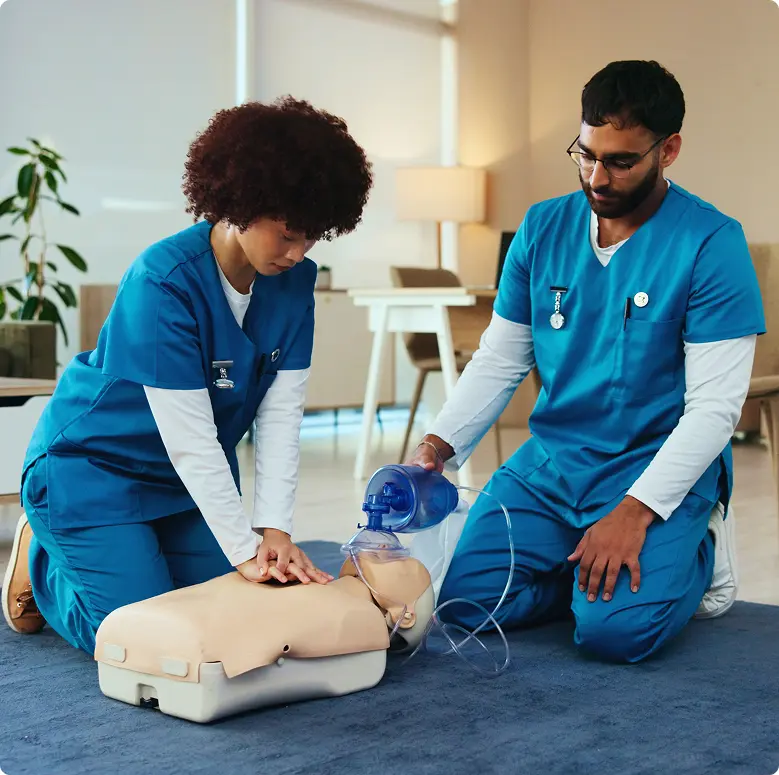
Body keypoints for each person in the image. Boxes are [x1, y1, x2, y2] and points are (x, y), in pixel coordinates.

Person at [406, 60, 765, 663]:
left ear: (668, 150)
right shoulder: (542, 227)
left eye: (620, 161)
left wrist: (633, 513)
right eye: (586, 153)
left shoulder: (711, 243)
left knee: (614, 635)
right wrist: (436, 448)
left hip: (650, 469)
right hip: (554, 464)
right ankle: (586, 577)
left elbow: (715, 410)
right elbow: (500, 357)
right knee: (463, 609)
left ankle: (694, 555)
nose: (597, 176)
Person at [2, 96, 374, 654]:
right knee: (149, 638)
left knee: (228, 616)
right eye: (288, 233)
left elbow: (280, 415)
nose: (299, 253)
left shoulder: (294, 283)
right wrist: (243, 548)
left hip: (182, 487)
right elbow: (191, 437)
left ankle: (112, 557)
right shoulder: (163, 280)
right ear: (243, 201)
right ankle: (42, 563)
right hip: (92, 471)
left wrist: (273, 530)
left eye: (313, 237)